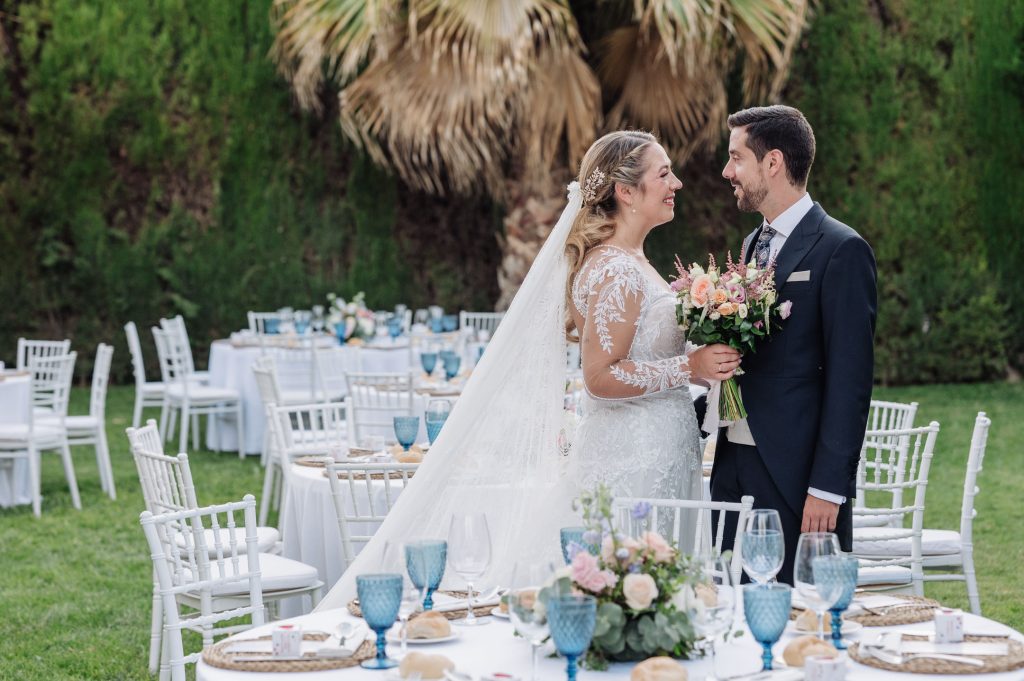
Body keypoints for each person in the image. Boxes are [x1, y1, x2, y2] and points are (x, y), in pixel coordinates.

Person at [314, 130, 738, 610]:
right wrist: (689, 366)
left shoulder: (633, 260)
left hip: (659, 450)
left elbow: (644, 354)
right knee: (626, 595)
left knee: (651, 596)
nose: (676, 184)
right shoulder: (615, 269)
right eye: (664, 174)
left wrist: (704, 360)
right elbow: (600, 378)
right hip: (633, 460)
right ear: (625, 191)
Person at [712, 105, 877, 584]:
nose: (727, 172)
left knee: (800, 611)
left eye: (736, 158)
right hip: (734, 463)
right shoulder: (751, 245)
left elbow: (850, 381)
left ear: (773, 162)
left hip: (795, 475)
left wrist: (828, 487)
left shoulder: (841, 249)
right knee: (732, 601)